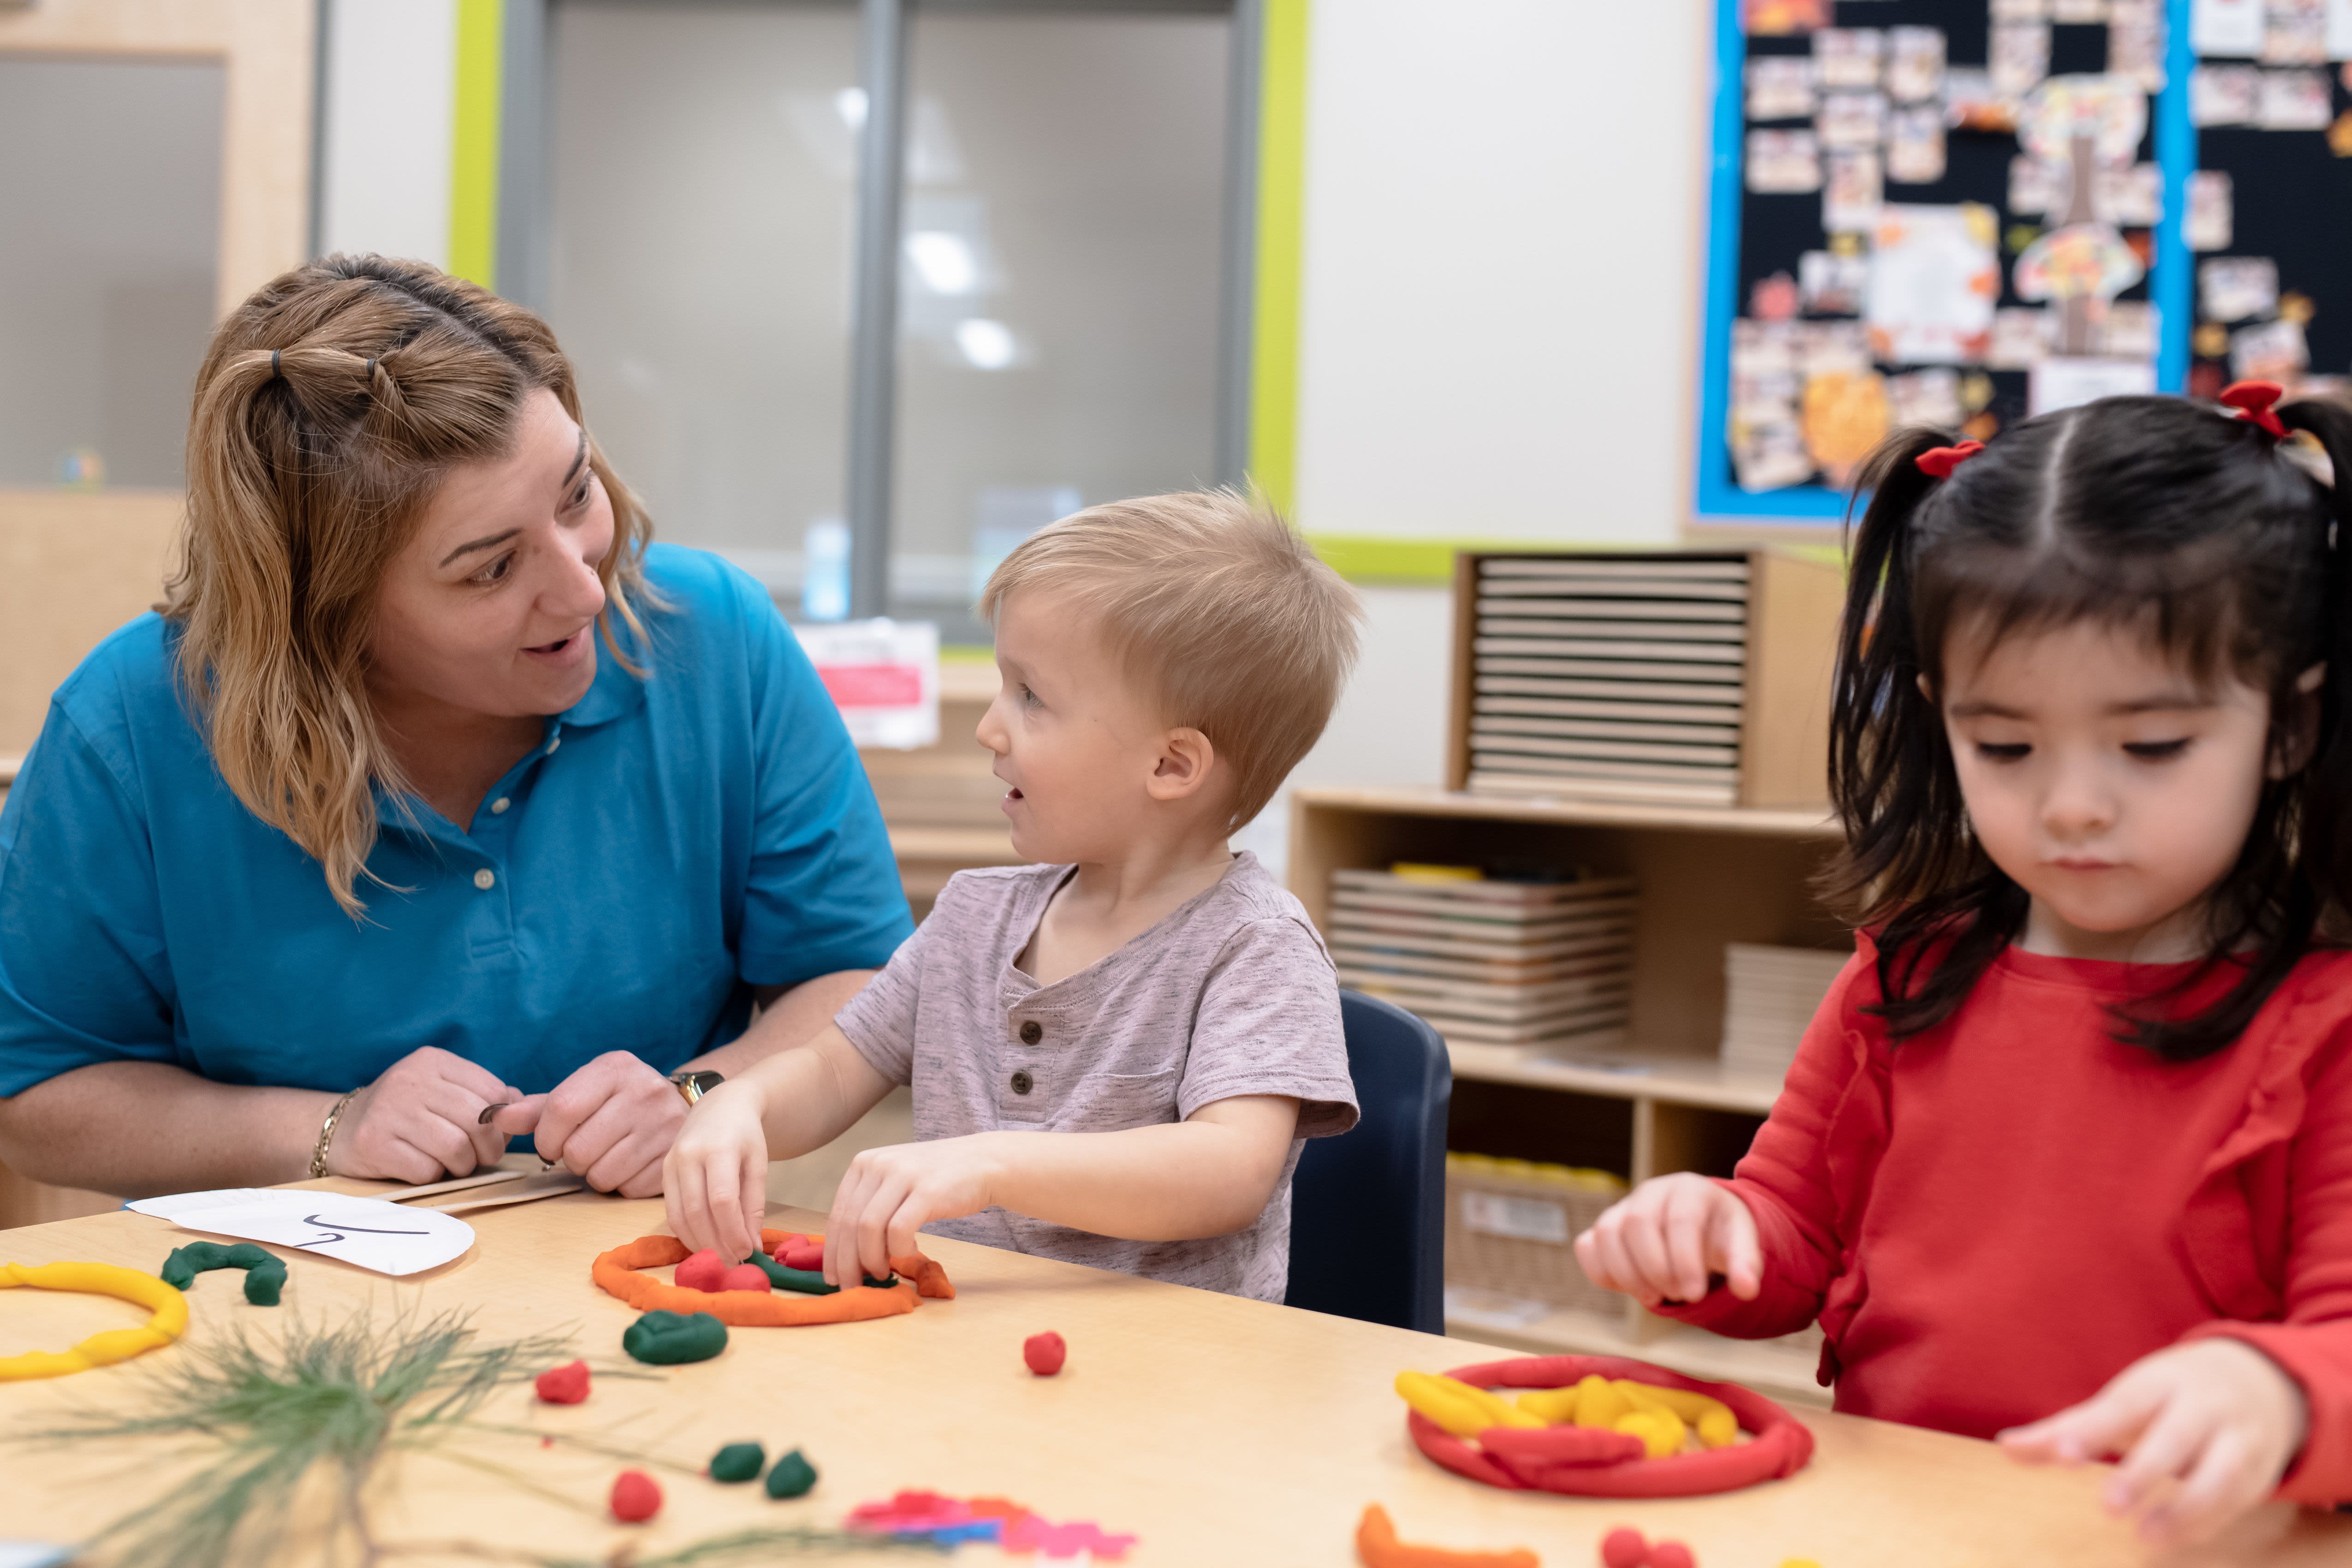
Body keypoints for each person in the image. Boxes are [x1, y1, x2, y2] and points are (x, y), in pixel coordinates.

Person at [1575, 384, 2352, 1543]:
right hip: (1904, 1527)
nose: (2073, 805)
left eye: (2150, 744)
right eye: (2005, 745)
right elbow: (1789, 1239)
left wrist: (2281, 1388)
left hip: (2177, 1540)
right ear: (1941, 719)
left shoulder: (2325, 1019)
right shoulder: (1906, 972)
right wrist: (1705, 1235)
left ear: (2289, 725)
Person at [0, 255, 910, 1199]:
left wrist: (704, 1097)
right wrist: (326, 1129)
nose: (583, 586)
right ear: (331, 616)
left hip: (647, 1273)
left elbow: (865, 985)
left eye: (575, 493)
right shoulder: (130, 728)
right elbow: (35, 1094)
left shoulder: (715, 640)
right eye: (490, 569)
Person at [665, 492, 1362, 1299]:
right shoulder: (973, 917)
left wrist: (990, 1161)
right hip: (960, 1350)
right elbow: (829, 1073)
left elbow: (1228, 1168)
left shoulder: (1257, 946)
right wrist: (735, 1102)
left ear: (1172, 766)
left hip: (1171, 1381)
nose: (991, 727)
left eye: (1030, 696)